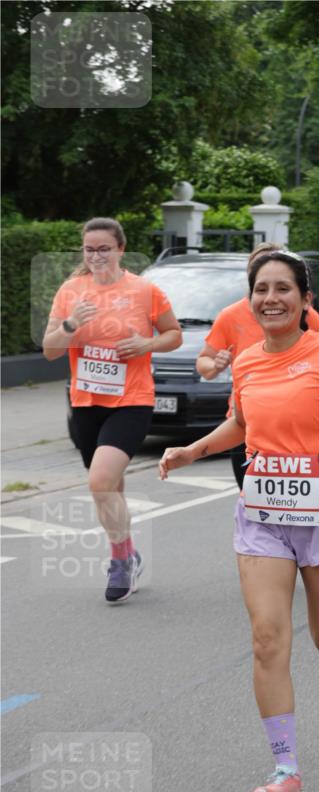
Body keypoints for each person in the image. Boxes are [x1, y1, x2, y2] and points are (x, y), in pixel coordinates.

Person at [159, 251, 319, 792]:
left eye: (282, 289)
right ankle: (286, 772)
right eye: (261, 289)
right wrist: (193, 449)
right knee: (268, 638)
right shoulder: (246, 361)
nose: (271, 298)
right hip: (263, 513)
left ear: (304, 299)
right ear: (251, 299)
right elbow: (242, 424)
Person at [43, 217, 182, 601]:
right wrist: (71, 324)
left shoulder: (144, 290)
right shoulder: (71, 290)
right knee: (109, 487)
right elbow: (51, 350)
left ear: (121, 249)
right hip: (87, 402)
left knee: (100, 482)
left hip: (132, 400)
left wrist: (144, 345)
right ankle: (127, 552)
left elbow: (174, 334)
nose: (97, 255)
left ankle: (121, 560)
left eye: (105, 248)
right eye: (90, 249)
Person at [196, 242, 319, 489]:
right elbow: (203, 362)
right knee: (253, 502)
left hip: (295, 421)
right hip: (245, 422)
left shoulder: (302, 312)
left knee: (304, 509)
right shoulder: (230, 315)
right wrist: (215, 364)